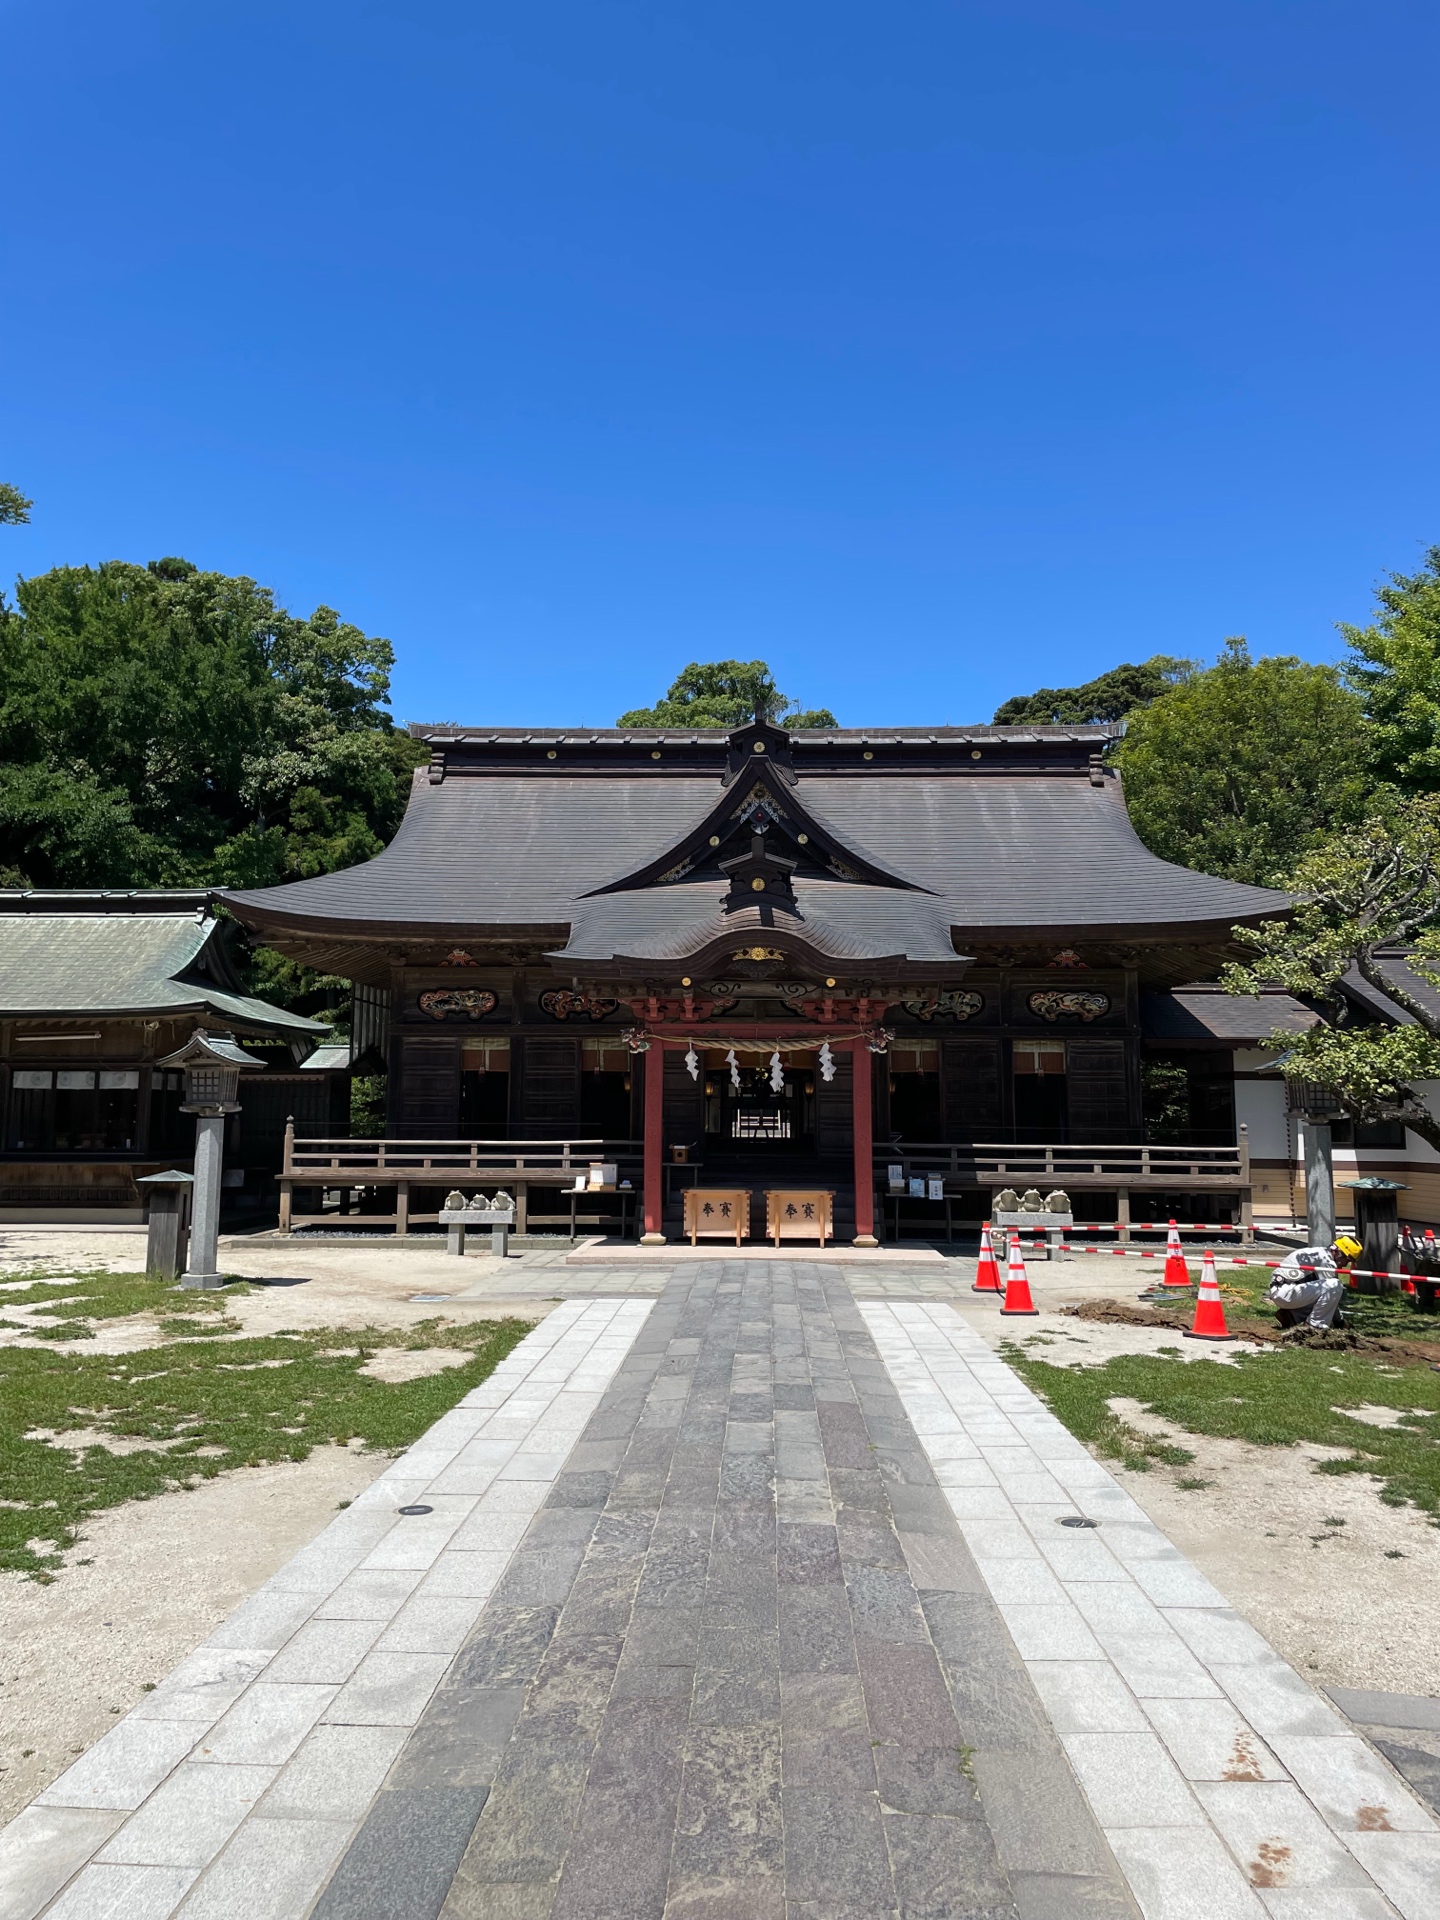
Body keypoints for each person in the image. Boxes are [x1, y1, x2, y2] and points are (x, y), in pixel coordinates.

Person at [1268, 1235, 1361, 1330]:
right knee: (1335, 1286)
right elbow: (1331, 1297)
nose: (1346, 1264)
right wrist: (1340, 1322)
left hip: (1283, 1290)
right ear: (1338, 1253)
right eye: (1347, 1260)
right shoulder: (1326, 1262)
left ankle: (1292, 1316)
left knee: (1322, 1297)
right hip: (1286, 1292)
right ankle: (1315, 1326)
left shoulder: (1320, 1254)